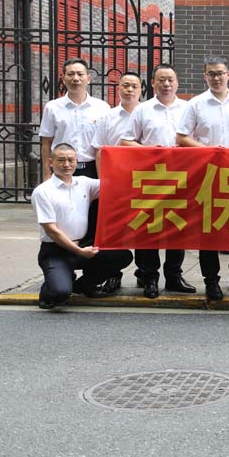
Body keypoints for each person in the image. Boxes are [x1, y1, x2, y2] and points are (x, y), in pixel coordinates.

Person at [176, 57, 229, 301]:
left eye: (220, 73)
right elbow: (181, 137)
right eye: (211, 74)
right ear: (205, 77)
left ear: (228, 75)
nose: (216, 78)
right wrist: (208, 151)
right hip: (207, 173)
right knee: (208, 229)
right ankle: (211, 281)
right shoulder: (196, 104)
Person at [121, 64, 196, 298]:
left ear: (177, 83)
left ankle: (174, 276)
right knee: (147, 229)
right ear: (152, 83)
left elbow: (195, 139)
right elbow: (126, 141)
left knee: (177, 228)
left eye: (170, 79)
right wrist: (150, 151)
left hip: (181, 178)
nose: (166, 84)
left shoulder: (188, 108)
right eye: (161, 80)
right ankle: (149, 276)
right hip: (150, 178)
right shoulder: (142, 110)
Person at [31, 143, 132, 310]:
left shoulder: (84, 183)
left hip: (82, 246)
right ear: (50, 162)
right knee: (60, 293)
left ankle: (81, 286)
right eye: (61, 160)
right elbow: (52, 231)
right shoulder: (43, 191)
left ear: (76, 161)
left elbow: (116, 184)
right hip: (55, 251)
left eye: (70, 160)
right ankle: (52, 288)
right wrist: (79, 251)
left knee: (123, 256)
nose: (66, 164)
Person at [89, 71, 142, 294]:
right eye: (125, 85)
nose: (129, 90)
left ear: (141, 89)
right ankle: (113, 274)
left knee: (143, 227)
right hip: (115, 182)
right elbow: (99, 151)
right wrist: (103, 182)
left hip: (143, 182)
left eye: (134, 86)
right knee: (114, 230)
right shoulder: (108, 117)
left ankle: (144, 274)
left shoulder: (147, 113)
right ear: (118, 88)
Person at [39, 58, 110, 182]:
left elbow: (106, 143)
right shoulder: (52, 107)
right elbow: (46, 142)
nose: (76, 78)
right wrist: (46, 174)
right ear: (63, 79)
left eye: (80, 74)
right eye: (71, 74)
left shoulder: (102, 108)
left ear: (88, 79)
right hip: (62, 168)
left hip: (93, 168)